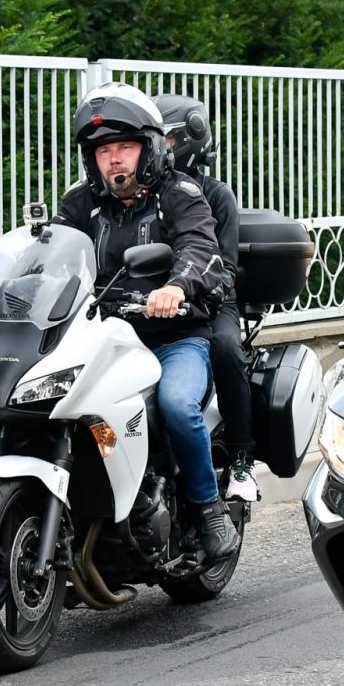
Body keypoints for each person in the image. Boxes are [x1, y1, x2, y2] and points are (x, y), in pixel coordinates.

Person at [54, 81, 239, 561]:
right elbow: (48, 255)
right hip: (102, 340)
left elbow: (201, 247)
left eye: (125, 147)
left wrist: (176, 287)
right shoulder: (79, 205)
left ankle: (208, 509)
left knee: (178, 405)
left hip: (173, 338)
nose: (114, 159)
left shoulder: (180, 194)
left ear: (148, 149)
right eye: (104, 151)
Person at [153, 93, 259, 504]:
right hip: (151, 305)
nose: (162, 149)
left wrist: (194, 292)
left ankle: (241, 459)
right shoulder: (151, 195)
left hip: (211, 301)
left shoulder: (218, 196)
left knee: (226, 347)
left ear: (192, 138)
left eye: (169, 140)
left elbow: (226, 269)